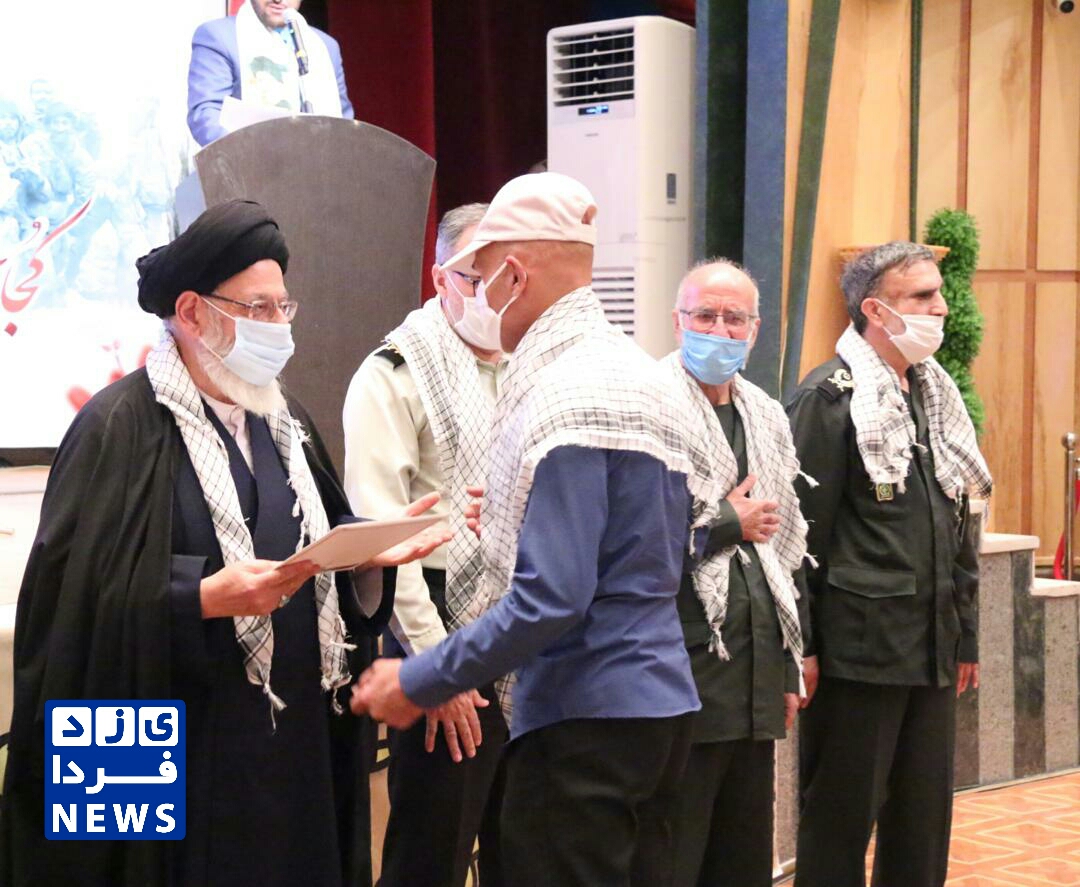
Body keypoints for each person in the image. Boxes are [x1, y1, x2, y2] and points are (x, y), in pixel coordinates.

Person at [0, 199, 447, 887]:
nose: (278, 326)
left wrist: (364, 559)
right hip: (166, 749)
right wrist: (200, 597)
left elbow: (322, 553)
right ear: (192, 311)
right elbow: (67, 608)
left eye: (283, 307)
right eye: (258, 308)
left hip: (290, 744)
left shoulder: (286, 421)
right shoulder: (118, 427)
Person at [351, 172, 725, 887]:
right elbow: (678, 538)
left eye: (484, 277)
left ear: (514, 276)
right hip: (662, 703)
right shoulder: (640, 373)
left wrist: (423, 676)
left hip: (585, 714)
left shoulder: (564, 390)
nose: (480, 297)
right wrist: (525, 518)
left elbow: (553, 596)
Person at [786, 241, 991, 887]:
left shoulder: (933, 392)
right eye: (923, 296)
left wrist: (964, 634)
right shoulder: (828, 397)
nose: (942, 307)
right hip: (858, 652)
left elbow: (958, 523)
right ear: (875, 309)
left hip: (930, 646)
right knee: (840, 820)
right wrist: (803, 646)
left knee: (922, 823)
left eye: (939, 292)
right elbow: (798, 537)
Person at [342, 202, 509, 887]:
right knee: (432, 852)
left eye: (507, 275)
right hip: (435, 617)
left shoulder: (531, 363)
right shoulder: (395, 372)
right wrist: (437, 668)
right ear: (441, 278)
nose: (494, 293)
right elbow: (387, 531)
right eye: (476, 276)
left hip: (523, 621)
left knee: (524, 848)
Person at [663, 260, 813, 887]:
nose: (719, 331)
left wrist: (786, 667)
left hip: (753, 677)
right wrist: (727, 521)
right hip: (679, 674)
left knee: (742, 861)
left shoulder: (766, 415)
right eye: (705, 316)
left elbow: (784, 549)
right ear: (678, 322)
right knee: (674, 859)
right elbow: (631, 541)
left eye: (734, 319)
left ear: (754, 331)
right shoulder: (650, 406)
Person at [187, 0, 354, 147]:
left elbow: (343, 124)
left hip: (315, 168)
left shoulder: (325, 47)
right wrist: (251, 157)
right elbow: (207, 115)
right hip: (244, 164)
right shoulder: (220, 36)